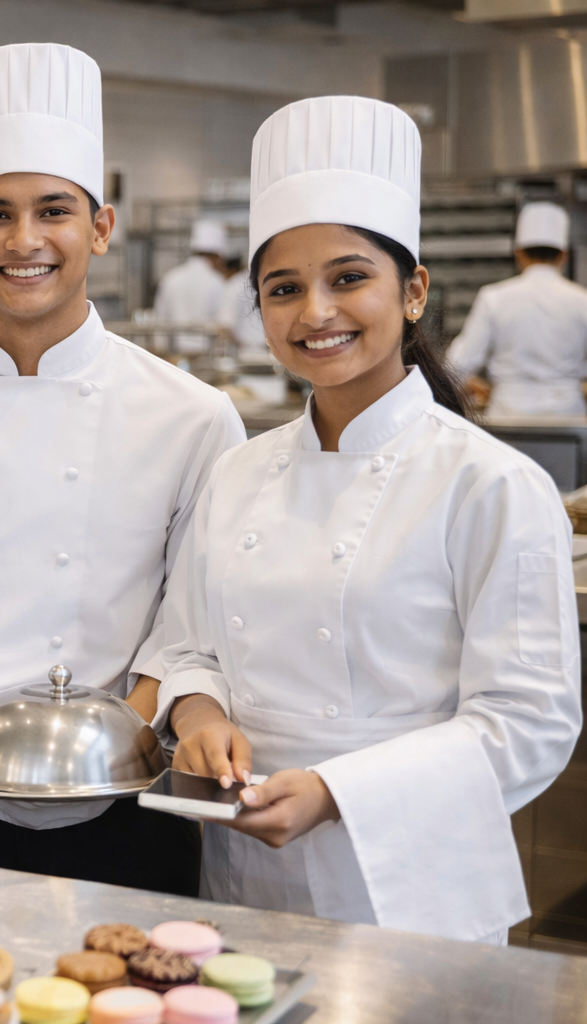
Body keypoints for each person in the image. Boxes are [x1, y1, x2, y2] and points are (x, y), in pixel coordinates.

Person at [155, 96, 581, 942]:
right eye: (283, 289)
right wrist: (198, 717)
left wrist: (335, 793)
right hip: (243, 877)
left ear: (413, 291)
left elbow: (529, 723)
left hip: (413, 892)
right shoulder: (238, 471)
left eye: (348, 278)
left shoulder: (489, 484)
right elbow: (184, 649)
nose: (315, 312)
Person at [0, 43, 244, 895]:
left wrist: (115, 737)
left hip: (126, 808)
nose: (24, 240)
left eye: (54, 211)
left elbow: (193, 629)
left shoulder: (191, 415)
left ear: (101, 227)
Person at [447, 201, 587, 416]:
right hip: (568, 416)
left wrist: (469, 385)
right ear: (563, 256)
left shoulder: (493, 297)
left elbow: (456, 368)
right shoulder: (581, 300)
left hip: (508, 414)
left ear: (519, 254)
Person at [155, 219, 229, 353]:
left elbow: (160, 322)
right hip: (206, 358)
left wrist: (163, 355)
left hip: (175, 356)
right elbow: (222, 326)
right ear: (217, 256)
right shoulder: (216, 282)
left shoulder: (171, 278)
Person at [214, 255, 268, 354]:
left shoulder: (233, 284)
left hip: (241, 351)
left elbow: (224, 325)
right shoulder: (272, 282)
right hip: (269, 352)